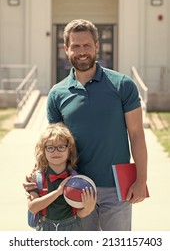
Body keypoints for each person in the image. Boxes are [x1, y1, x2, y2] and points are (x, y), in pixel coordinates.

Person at [24, 19, 148, 231]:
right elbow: (54, 142)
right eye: (76, 46)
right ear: (66, 49)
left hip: (118, 187)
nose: (82, 51)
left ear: (97, 46)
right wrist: (37, 176)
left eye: (87, 45)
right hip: (75, 186)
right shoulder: (57, 94)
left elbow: (136, 134)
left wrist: (141, 180)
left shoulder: (122, 85)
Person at [27, 122, 97, 231]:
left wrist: (88, 209)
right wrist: (58, 192)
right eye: (50, 147)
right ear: (43, 150)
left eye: (61, 147)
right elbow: (33, 207)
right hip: (45, 227)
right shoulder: (36, 178)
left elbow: (79, 213)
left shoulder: (77, 179)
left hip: (72, 227)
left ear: (69, 150)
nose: (56, 152)